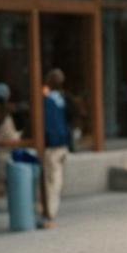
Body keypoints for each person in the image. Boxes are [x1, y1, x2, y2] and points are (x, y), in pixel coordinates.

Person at [41, 69, 71, 227]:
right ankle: (49, 212)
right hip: (61, 145)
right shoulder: (61, 99)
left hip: (52, 146)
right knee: (55, 180)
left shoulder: (47, 101)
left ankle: (49, 214)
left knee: (51, 181)